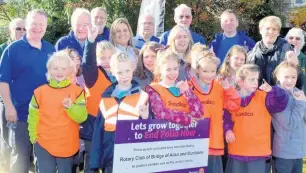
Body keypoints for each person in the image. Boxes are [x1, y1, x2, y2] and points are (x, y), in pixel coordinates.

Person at [0, 9, 55, 173]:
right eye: (34, 23)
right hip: (21, 114)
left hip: (45, 116)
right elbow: (3, 81)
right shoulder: (13, 49)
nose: (38, 27)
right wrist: (9, 107)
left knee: (43, 160)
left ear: (45, 27)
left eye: (41, 24)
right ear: (27, 24)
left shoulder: (50, 49)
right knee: (20, 160)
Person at [27, 50, 88, 173]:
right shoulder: (39, 92)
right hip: (43, 144)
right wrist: (34, 137)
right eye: (55, 68)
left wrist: (71, 107)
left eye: (63, 68)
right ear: (49, 70)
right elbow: (33, 117)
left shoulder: (77, 91)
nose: (59, 72)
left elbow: (82, 117)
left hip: (67, 145)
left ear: (70, 71)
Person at [223, 64, 288, 173]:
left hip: (259, 154)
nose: (255, 83)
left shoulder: (265, 97)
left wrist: (272, 90)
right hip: (236, 153)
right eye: (251, 79)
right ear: (240, 82)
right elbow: (226, 119)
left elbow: (282, 101)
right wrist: (228, 130)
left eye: (256, 79)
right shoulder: (231, 98)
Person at [90, 52, 149, 172]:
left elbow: (150, 131)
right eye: (119, 72)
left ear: (133, 69)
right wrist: (95, 162)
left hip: (133, 158)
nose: (124, 76)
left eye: (127, 71)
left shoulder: (143, 97)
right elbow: (98, 132)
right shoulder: (105, 99)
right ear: (112, 72)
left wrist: (146, 118)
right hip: (110, 158)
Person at [188, 50, 240, 173]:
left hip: (215, 143)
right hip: (193, 144)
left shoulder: (219, 87)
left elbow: (233, 106)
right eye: (205, 71)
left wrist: (228, 89)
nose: (209, 75)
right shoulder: (188, 87)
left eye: (213, 71)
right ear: (197, 70)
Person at [81, 25, 116, 173]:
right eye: (102, 58)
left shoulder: (120, 76)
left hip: (112, 128)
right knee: (92, 163)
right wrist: (90, 41)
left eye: (110, 57)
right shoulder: (93, 75)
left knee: (110, 162)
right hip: (93, 127)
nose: (107, 61)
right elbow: (87, 64)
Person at [146, 49, 203, 126]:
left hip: (186, 135)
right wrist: (185, 118)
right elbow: (161, 113)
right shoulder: (154, 89)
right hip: (164, 135)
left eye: (175, 69)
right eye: (168, 70)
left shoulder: (184, 88)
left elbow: (198, 113)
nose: (172, 73)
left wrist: (187, 92)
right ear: (160, 70)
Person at [247, 16, 303, 89]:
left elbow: (298, 82)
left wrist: (296, 66)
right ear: (260, 30)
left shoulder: (287, 51)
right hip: (258, 97)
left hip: (281, 97)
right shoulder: (252, 54)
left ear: (278, 33)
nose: (271, 32)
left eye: (274, 29)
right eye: (268, 28)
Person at [271, 61, 306, 173]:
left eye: (293, 77)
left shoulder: (298, 93)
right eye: (286, 77)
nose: (290, 80)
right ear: (278, 77)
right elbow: (289, 124)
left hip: (298, 152)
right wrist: (301, 103)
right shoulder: (276, 96)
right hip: (283, 154)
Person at [285, 27, 306, 93]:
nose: (294, 40)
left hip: (301, 97)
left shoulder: (304, 59)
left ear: (302, 42)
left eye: (297, 38)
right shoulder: (279, 57)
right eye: (291, 38)